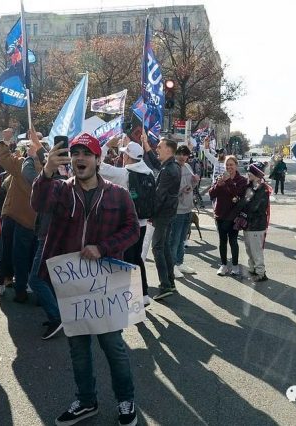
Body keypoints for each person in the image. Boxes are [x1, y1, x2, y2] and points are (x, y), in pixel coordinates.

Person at [31, 132, 139, 426]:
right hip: (71, 284)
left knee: (113, 346)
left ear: (98, 159)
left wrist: (103, 248)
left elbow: (132, 230)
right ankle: (86, 400)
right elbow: (38, 205)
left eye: (86, 154)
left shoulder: (118, 194)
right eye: (75, 153)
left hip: (104, 284)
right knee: (78, 348)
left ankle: (126, 399)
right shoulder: (60, 190)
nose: (80, 158)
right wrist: (47, 170)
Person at [99, 137, 155, 307]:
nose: (122, 158)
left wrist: (107, 145)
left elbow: (97, 164)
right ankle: (143, 294)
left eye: (124, 155)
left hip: (126, 224)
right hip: (143, 223)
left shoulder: (124, 173)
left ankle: (130, 297)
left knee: (126, 260)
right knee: (136, 258)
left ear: (128, 157)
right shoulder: (149, 172)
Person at [21, 129, 64, 339]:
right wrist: (37, 143)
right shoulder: (58, 176)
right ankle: (58, 313)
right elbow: (46, 163)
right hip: (50, 234)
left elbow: (35, 173)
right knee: (49, 277)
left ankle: (57, 318)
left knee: (36, 279)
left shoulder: (57, 182)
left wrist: (34, 153)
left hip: (49, 236)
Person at [0, 128, 38, 303]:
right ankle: (30, 285)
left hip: (15, 215)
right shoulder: (48, 168)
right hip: (34, 219)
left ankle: (14, 286)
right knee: (32, 254)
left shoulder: (22, 163)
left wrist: (5, 141)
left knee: (10, 252)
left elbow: (3, 158)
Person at [141, 134, 181, 301]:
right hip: (169, 213)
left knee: (157, 248)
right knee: (164, 248)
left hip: (162, 215)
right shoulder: (173, 166)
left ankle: (165, 285)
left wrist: (149, 213)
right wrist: (146, 146)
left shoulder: (167, 170)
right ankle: (170, 282)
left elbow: (159, 196)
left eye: (160, 147)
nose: (157, 148)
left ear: (169, 150)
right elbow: (158, 163)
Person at [208, 156, 248, 276]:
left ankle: (235, 265)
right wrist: (218, 185)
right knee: (222, 241)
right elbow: (211, 194)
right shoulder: (220, 178)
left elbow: (238, 195)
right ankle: (224, 265)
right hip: (220, 214)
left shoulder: (241, 180)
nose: (229, 167)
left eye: (231, 165)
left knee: (233, 241)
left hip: (233, 216)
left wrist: (229, 181)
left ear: (236, 165)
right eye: (227, 165)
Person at [235, 162, 270, 282]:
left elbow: (257, 207)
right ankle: (252, 268)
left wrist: (244, 211)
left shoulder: (262, 188)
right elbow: (244, 202)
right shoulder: (249, 186)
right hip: (248, 224)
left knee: (256, 250)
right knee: (249, 248)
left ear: (257, 174)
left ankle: (260, 272)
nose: (247, 174)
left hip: (257, 224)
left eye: (250, 172)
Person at [169, 145, 198, 279]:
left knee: (182, 239)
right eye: (179, 154)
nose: (182, 157)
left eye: (184, 154)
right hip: (177, 209)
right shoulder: (172, 168)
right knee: (174, 239)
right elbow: (169, 189)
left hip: (188, 208)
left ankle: (180, 263)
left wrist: (194, 182)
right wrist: (182, 190)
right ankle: (172, 265)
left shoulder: (187, 166)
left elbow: (192, 185)